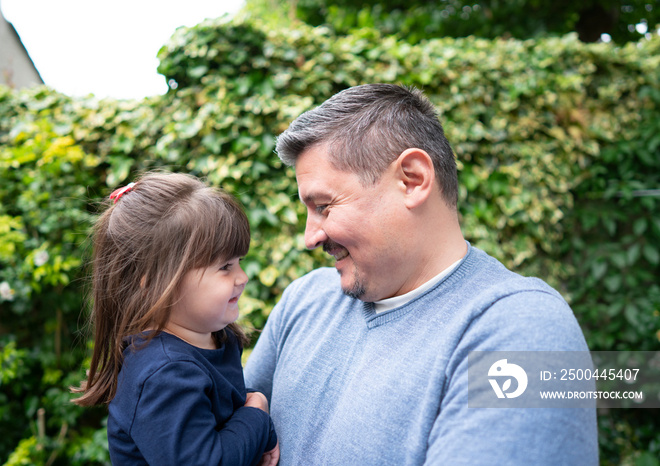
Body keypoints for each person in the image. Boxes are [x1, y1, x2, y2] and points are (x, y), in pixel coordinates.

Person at [244, 84, 598, 464]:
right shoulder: (305, 299)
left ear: (412, 179)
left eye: (324, 206)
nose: (310, 237)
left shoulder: (526, 331)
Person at [72, 172, 279, 466]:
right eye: (225, 267)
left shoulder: (213, 338)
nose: (242, 278)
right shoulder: (164, 374)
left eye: (239, 262)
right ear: (157, 281)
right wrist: (257, 416)